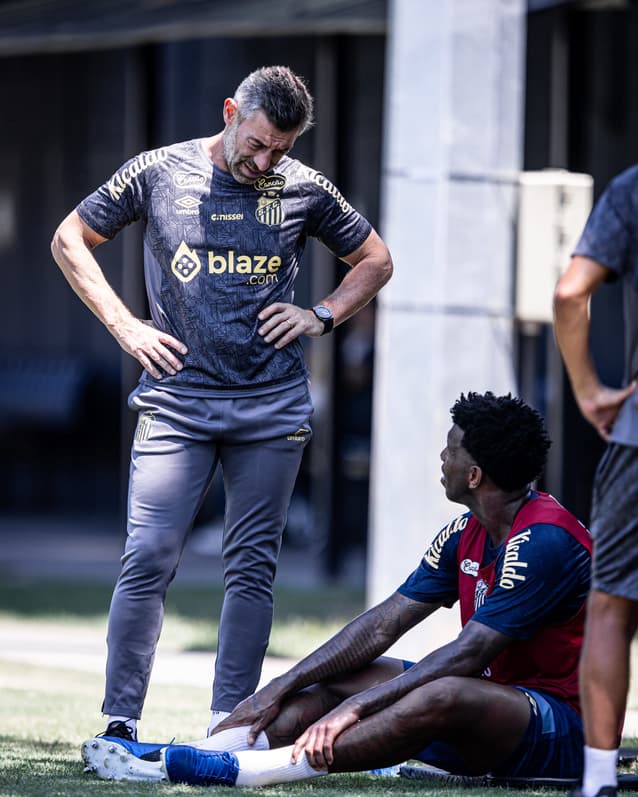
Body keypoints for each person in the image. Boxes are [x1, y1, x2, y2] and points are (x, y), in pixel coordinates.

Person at [50, 64, 393, 742]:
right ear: (232, 110)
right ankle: (119, 723)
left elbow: (376, 259)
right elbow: (69, 239)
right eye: (258, 142)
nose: (264, 161)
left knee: (252, 566)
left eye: (281, 150)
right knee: (148, 554)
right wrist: (126, 326)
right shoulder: (156, 172)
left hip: (271, 406)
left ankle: (227, 727)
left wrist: (321, 315)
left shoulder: (301, 188)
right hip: (177, 402)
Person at [80, 391, 593, 787]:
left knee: (438, 689)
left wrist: (358, 708)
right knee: (349, 675)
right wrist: (278, 687)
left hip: (554, 728)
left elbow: (466, 654)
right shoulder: (466, 532)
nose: (442, 455)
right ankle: (185, 756)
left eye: (452, 449)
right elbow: (385, 622)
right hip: (482, 706)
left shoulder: (542, 540)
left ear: (476, 475)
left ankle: (255, 772)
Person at [554, 164, 638, 797]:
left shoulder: (632, 188)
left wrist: (588, 390)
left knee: (611, 605)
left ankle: (598, 782)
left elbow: (569, 292)